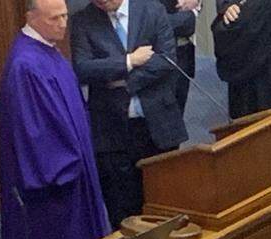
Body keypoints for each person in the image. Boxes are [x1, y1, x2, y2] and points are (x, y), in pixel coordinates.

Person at [0, 0, 111, 239]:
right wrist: (71, 165)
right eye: (54, 19)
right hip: (55, 187)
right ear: (31, 18)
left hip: (79, 167)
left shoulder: (48, 52)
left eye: (65, 16)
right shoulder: (25, 66)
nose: (63, 24)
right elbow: (37, 137)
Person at [71, 0, 187, 227]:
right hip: (113, 134)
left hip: (157, 127)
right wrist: (129, 61)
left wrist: (124, 81)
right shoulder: (83, 20)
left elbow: (167, 60)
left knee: (167, 207)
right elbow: (83, 69)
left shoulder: (151, 10)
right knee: (124, 215)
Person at [213, 0, 271, 143]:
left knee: (261, 144)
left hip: (262, 91)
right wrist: (230, 8)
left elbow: (231, 41)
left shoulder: (263, 5)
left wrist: (223, 22)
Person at [156, 0, 201, 114]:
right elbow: (147, 20)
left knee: (177, 114)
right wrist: (191, 16)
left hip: (183, 52)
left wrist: (196, 2)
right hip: (154, 60)